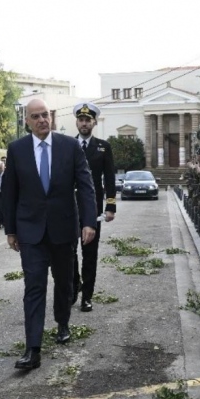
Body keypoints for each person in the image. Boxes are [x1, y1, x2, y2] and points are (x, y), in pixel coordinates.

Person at [0, 99, 96, 371]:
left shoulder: (70, 146)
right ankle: (33, 348)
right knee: (34, 287)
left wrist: (89, 222)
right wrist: (10, 230)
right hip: (30, 232)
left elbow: (86, 186)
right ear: (27, 121)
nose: (42, 120)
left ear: (51, 118)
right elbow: (10, 193)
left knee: (64, 282)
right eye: (35, 116)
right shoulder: (17, 150)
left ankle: (62, 322)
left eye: (45, 115)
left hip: (63, 229)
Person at [72, 102, 116, 312]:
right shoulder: (67, 144)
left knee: (89, 254)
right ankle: (74, 285)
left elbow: (109, 178)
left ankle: (86, 296)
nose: (84, 123)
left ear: (94, 122)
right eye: (81, 120)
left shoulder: (103, 147)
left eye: (88, 120)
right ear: (77, 122)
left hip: (93, 208)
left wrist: (111, 207)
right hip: (69, 208)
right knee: (68, 251)